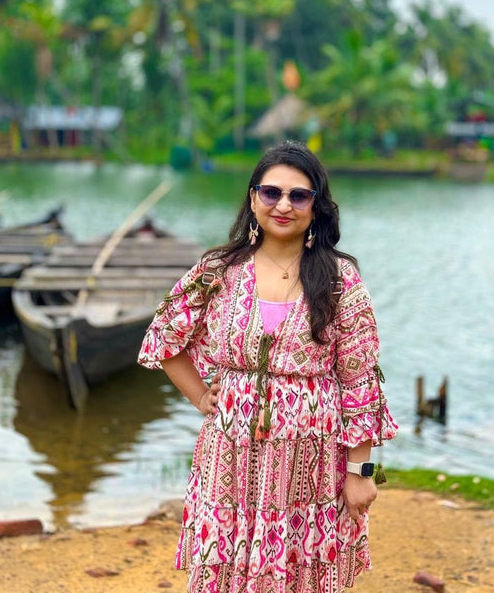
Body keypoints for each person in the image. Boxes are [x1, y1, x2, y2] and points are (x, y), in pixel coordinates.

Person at [138, 141, 398, 593]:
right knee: (226, 569)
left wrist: (361, 473)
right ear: (253, 198)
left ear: (316, 207)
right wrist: (201, 395)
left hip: (311, 463)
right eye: (271, 192)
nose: (283, 205)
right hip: (229, 457)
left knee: (302, 574)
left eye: (299, 195)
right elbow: (165, 336)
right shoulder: (217, 269)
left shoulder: (341, 280)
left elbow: (360, 380)